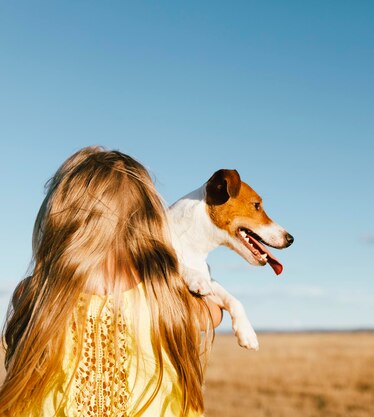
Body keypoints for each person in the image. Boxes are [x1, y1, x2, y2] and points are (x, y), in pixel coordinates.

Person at [0, 146, 222, 416]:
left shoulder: (37, 294)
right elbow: (214, 312)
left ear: (61, 223)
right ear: (150, 226)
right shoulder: (166, 296)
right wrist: (190, 272)